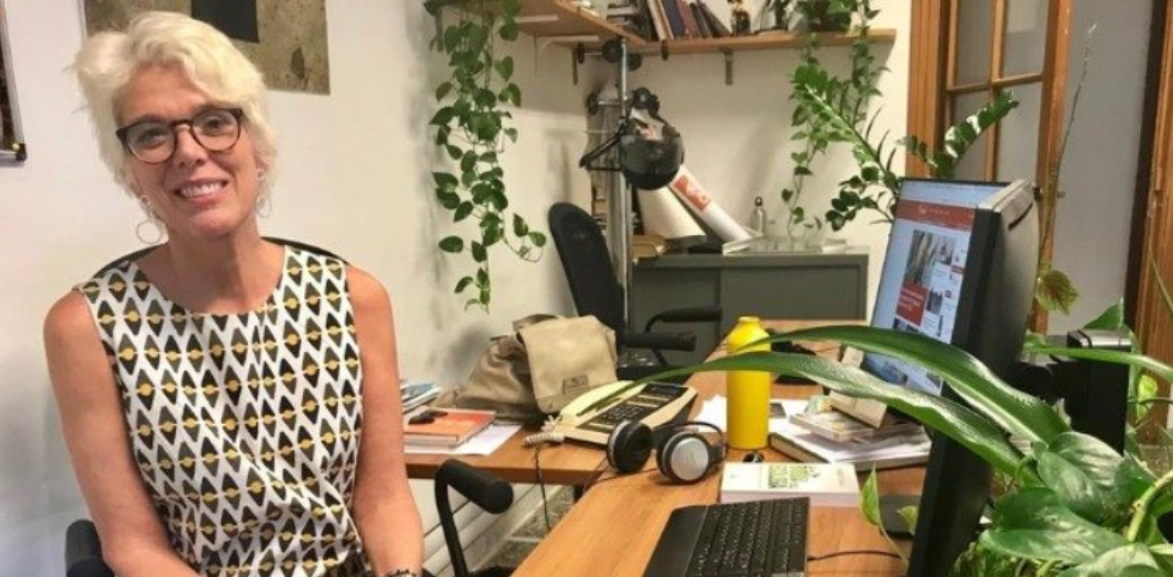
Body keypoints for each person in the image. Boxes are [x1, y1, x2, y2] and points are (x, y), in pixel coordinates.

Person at [43, 12, 423, 577]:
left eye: (214, 122)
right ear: (129, 172)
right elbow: (133, 546)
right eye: (151, 134)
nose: (188, 151)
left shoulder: (354, 297)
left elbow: (385, 498)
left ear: (257, 144)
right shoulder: (87, 328)